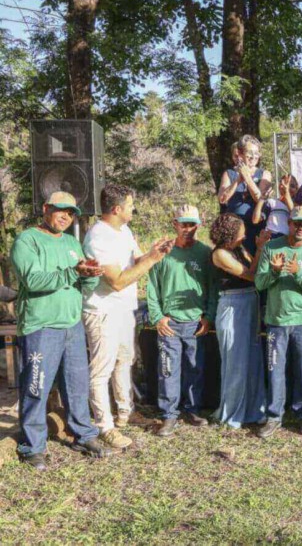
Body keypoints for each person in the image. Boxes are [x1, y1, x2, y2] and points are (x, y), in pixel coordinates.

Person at [13, 191, 114, 468]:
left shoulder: (72, 242)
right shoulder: (27, 240)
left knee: (77, 385)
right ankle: (32, 446)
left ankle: (83, 434)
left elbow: (82, 285)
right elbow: (32, 280)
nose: (66, 217)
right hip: (41, 326)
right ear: (45, 208)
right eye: (60, 210)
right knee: (36, 388)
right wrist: (74, 273)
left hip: (72, 325)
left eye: (71, 213)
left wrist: (91, 276)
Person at [82, 184, 171, 450]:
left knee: (125, 360)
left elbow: (136, 262)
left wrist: (154, 253)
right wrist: (151, 260)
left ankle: (125, 413)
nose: (134, 208)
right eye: (131, 205)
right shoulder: (99, 236)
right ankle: (104, 426)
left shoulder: (125, 230)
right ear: (116, 208)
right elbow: (117, 281)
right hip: (103, 311)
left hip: (123, 309)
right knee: (102, 369)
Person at [254, 206, 302, 439]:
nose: (300, 228)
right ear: (289, 223)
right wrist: (274, 272)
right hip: (276, 319)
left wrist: (297, 272)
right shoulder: (272, 247)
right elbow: (259, 283)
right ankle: (275, 416)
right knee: (276, 369)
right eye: (297, 223)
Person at [146, 205, 217, 437]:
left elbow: (213, 287)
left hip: (195, 323)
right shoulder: (163, 252)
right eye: (183, 224)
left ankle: (192, 409)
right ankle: (169, 414)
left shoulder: (205, 254)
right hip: (170, 324)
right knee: (168, 369)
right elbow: (152, 287)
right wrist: (157, 317)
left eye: (192, 224)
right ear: (174, 224)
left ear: (199, 225)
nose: (187, 229)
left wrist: (208, 316)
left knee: (194, 367)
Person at [209, 214, 267, 429]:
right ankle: (232, 413)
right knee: (235, 360)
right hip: (233, 305)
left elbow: (256, 269)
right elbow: (250, 275)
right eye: (242, 229)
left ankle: (254, 410)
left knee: (252, 359)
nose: (245, 233)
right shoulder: (220, 254)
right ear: (231, 232)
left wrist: (259, 248)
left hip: (251, 302)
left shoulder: (240, 248)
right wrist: (259, 249)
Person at [216, 135, 273, 254]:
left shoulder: (264, 174)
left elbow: (259, 198)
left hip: (256, 227)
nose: (253, 156)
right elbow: (222, 199)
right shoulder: (229, 173)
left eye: (256, 153)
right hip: (233, 229)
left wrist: (247, 177)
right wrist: (238, 180)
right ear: (241, 153)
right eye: (249, 152)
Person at [252, 175, 296, 240]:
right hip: (270, 239)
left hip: (286, 242)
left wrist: (286, 192)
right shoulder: (272, 202)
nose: (286, 187)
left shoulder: (298, 206)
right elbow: (255, 220)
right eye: (283, 184)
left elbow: (294, 214)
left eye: (292, 186)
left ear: (297, 189)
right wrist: (262, 199)